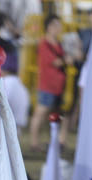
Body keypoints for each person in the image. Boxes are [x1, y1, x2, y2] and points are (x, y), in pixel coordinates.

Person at [29, 15, 67, 148]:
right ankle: (34, 143)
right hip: (47, 86)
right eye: (56, 25)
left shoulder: (58, 44)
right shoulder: (44, 44)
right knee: (40, 114)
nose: (59, 28)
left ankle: (56, 141)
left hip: (58, 86)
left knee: (58, 115)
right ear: (49, 27)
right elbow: (55, 62)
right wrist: (68, 60)